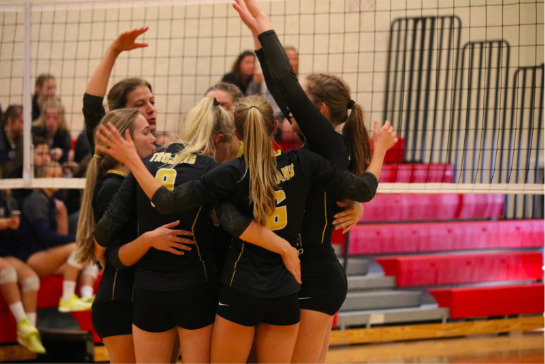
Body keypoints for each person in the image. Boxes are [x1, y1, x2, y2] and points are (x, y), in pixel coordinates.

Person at [93, 92, 397, 363]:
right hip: (286, 287)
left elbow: (168, 201)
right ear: (275, 128)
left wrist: (135, 161)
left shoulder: (229, 173)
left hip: (240, 287)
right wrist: (380, 149)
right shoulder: (306, 163)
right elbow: (363, 188)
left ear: (236, 133)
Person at [233, 1, 391, 361]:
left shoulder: (328, 143)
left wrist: (265, 26)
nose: (292, 106)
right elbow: (280, 84)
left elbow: (286, 85)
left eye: (303, 101)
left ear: (318, 110)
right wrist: (256, 35)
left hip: (316, 274)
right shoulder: (321, 149)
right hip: (309, 271)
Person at [92, 97, 301, 363]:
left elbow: (108, 224)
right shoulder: (212, 170)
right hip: (195, 287)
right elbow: (233, 222)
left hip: (148, 291)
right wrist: (284, 247)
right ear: (219, 138)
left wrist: (100, 252)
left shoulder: (145, 164)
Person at [76, 109, 194, 363]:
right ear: (124, 141)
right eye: (146, 132)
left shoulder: (130, 182)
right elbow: (114, 257)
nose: (153, 139)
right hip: (119, 302)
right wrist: (150, 239)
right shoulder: (112, 187)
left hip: (139, 299)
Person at [17, 162, 97, 312]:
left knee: (89, 258)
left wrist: (63, 218)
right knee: (79, 247)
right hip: (32, 258)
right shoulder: (36, 200)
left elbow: (58, 237)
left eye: (59, 176)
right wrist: (77, 240)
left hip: (46, 255)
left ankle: (88, 297)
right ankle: (67, 298)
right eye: (53, 176)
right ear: (41, 178)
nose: (57, 179)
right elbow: (45, 237)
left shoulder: (52, 200)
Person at [0, 188, 45, 354]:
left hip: (5, 253)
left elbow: (11, 238)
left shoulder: (6, 197)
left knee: (31, 279)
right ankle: (22, 323)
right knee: (7, 271)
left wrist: (12, 226)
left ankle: (30, 333)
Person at [32, 97, 72, 164]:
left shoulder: (65, 134)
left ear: (61, 118)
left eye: (55, 117)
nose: (51, 121)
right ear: (43, 117)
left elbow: (65, 159)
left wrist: (61, 153)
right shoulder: (35, 131)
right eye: (48, 117)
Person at [0, 105, 24, 177]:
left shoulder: (25, 139)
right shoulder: (2, 139)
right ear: (10, 121)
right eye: (22, 122)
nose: (25, 126)